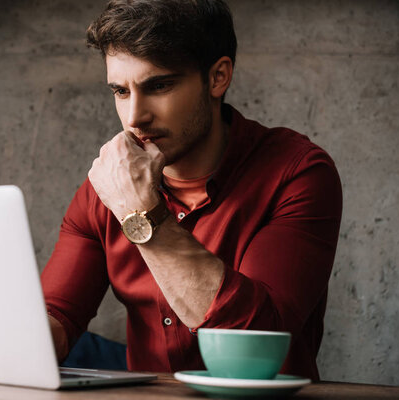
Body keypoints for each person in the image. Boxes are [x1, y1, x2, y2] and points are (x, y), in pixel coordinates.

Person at [40, 0, 342, 381]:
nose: (135, 117)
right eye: (120, 91)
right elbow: (55, 321)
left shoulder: (297, 173)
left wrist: (141, 211)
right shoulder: (105, 186)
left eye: (159, 86)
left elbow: (255, 341)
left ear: (218, 77)